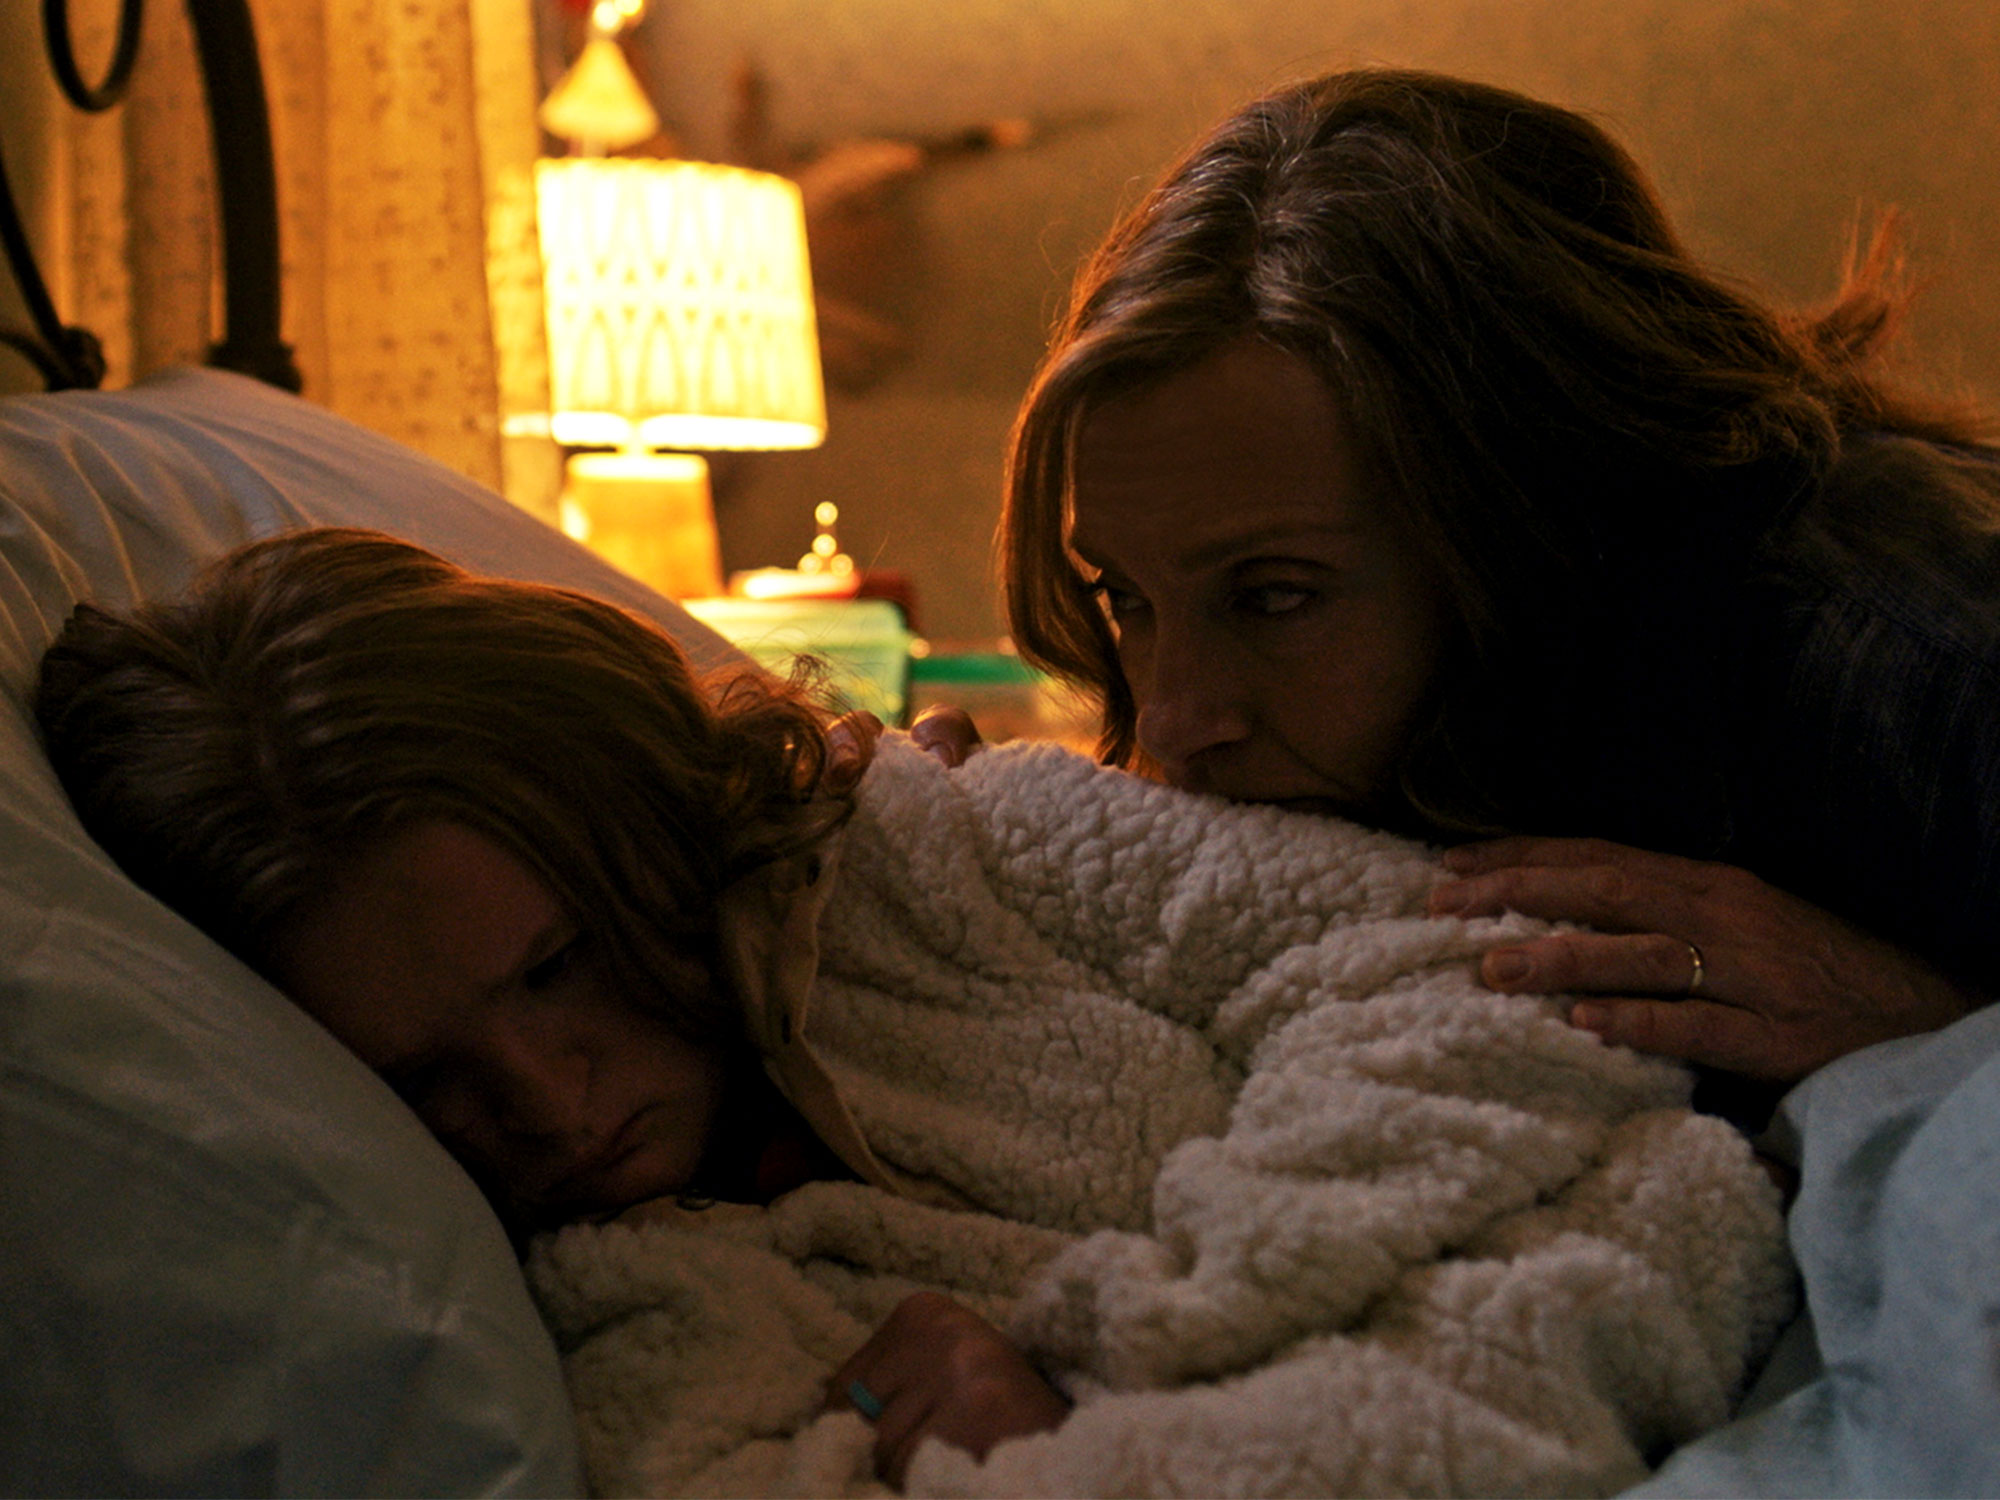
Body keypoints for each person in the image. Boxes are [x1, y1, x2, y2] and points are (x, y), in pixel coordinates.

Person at [980, 65, 1998, 1095]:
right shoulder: (1340, 738)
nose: (1170, 720)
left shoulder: (1924, 660)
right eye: (1125, 599)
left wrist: (1929, 1028)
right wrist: (951, 850)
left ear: (1532, 517)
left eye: (1273, 596)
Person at [32, 525, 1072, 1482]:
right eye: (421, 1079)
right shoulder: (561, 1326)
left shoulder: (886, 899)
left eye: (556, 965)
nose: (544, 1103)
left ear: (651, 820)